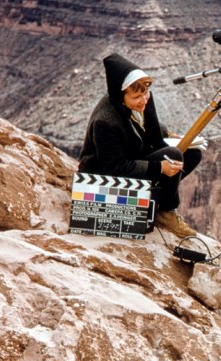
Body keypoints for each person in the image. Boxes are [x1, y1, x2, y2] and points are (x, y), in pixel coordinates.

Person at [79, 53, 202, 239]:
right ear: (121, 97)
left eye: (146, 94)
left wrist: (167, 134)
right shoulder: (105, 122)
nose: (144, 100)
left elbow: (145, 124)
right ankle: (166, 212)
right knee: (172, 155)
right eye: (137, 97)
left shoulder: (142, 97)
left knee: (192, 153)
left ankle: (155, 201)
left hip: (132, 155)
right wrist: (158, 167)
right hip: (105, 172)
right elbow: (113, 167)